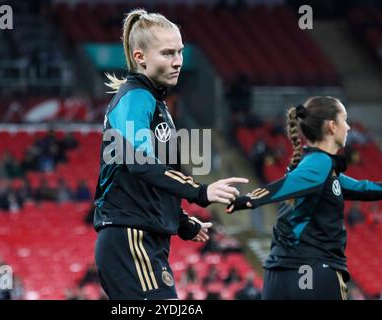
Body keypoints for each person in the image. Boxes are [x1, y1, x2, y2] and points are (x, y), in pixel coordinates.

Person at [93, 8, 248, 300]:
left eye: (179, 52)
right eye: (167, 53)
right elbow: (140, 164)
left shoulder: (156, 103)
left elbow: (155, 177)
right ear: (140, 57)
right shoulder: (135, 98)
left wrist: (182, 222)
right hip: (130, 239)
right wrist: (201, 192)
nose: (177, 62)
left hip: (144, 239)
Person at [226, 96, 382, 300]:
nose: (349, 127)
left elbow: (363, 188)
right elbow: (288, 185)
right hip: (312, 270)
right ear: (332, 126)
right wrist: (250, 199)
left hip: (278, 273)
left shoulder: (318, 168)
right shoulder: (320, 163)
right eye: (345, 120)